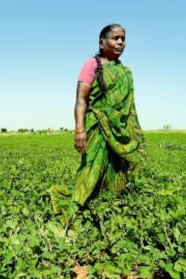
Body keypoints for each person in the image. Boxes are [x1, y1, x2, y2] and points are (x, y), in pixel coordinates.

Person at [51, 24, 145, 216]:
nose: (120, 42)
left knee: (116, 168)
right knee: (91, 167)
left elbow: (127, 107)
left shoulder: (125, 72)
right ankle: (76, 208)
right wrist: (79, 130)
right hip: (96, 125)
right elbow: (81, 100)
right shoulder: (92, 65)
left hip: (119, 130)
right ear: (102, 43)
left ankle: (110, 206)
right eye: (115, 38)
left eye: (123, 39)